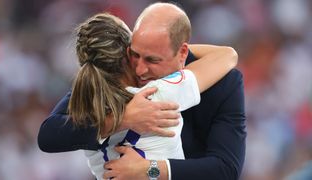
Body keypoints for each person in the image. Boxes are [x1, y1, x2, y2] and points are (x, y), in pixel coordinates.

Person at [38, 2, 246, 180]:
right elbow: (228, 55)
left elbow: (225, 169)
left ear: (181, 51)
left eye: (152, 59)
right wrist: (122, 119)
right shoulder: (157, 92)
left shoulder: (94, 98)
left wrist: (150, 169)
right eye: (134, 54)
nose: (140, 69)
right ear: (125, 50)